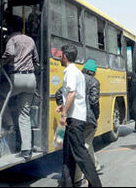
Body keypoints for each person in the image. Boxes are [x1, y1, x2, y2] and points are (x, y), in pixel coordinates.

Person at [57, 45, 101, 187]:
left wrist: (64, 114)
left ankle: (96, 184)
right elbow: (75, 96)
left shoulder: (71, 72)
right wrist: (63, 106)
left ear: (65, 56)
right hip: (76, 117)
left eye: (60, 54)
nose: (59, 56)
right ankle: (67, 183)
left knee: (81, 155)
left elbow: (72, 93)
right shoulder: (77, 72)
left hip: (74, 119)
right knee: (68, 155)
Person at [1, 15, 39, 161]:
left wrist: (1, 62)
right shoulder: (30, 40)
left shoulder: (12, 39)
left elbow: (10, 53)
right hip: (31, 80)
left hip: (16, 78)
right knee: (24, 114)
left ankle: (9, 125)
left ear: (10, 28)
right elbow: (36, 59)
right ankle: (26, 149)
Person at [72, 59, 103, 184]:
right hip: (88, 119)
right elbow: (94, 101)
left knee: (84, 144)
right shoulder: (94, 81)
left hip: (75, 118)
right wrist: (95, 116)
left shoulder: (76, 78)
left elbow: (59, 94)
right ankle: (79, 176)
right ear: (94, 72)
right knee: (84, 146)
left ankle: (95, 166)